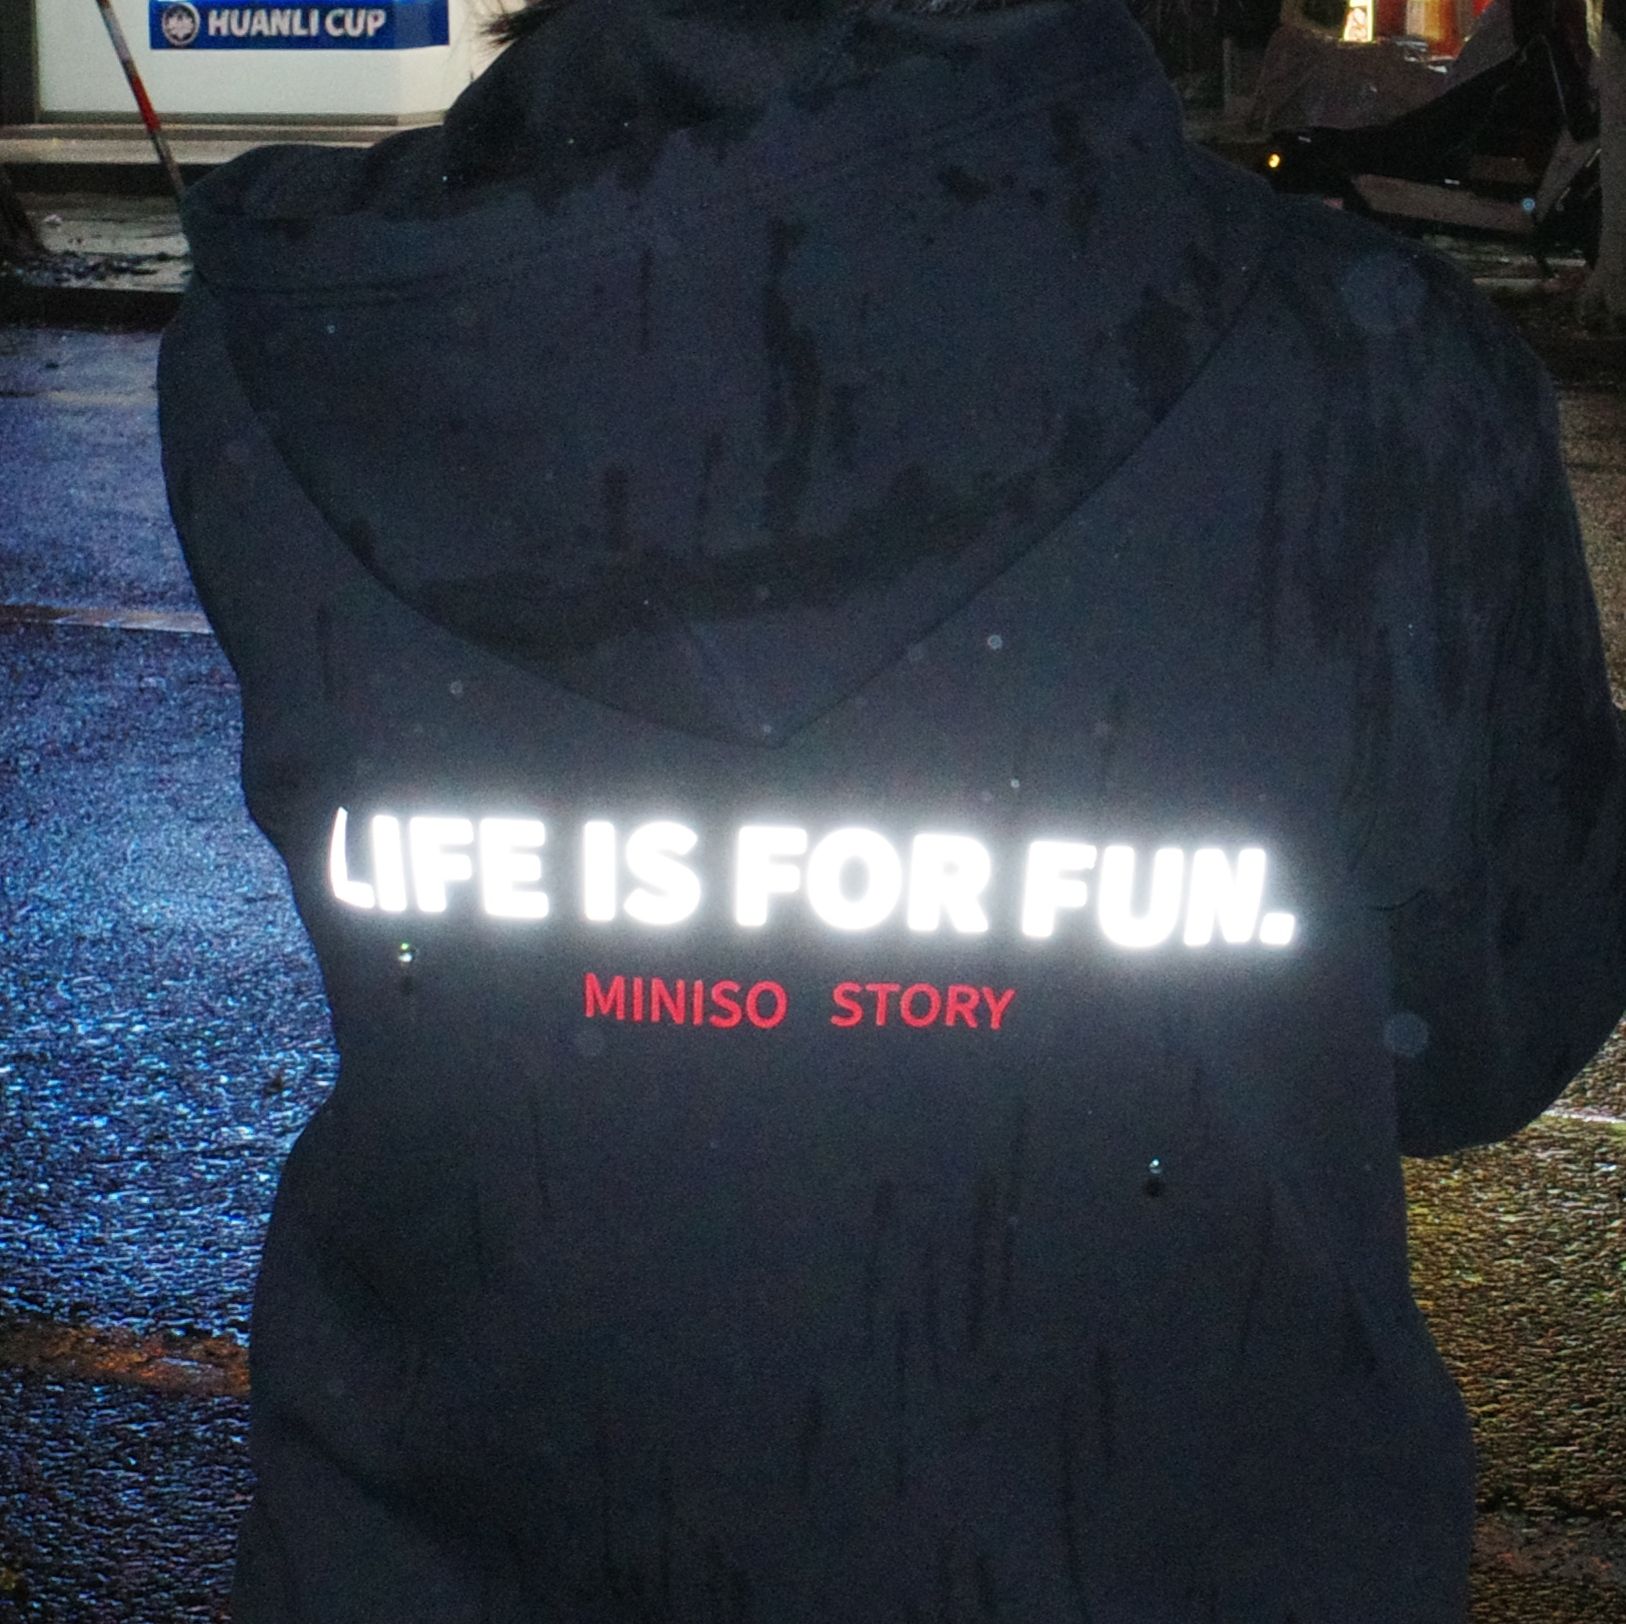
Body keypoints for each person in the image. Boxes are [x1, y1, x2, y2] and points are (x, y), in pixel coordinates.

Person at [156, 1, 1626, 1619]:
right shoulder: (1370, 366)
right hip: (1177, 1543)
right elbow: (1481, 1034)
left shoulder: (295, 339)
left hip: (454, 1545)